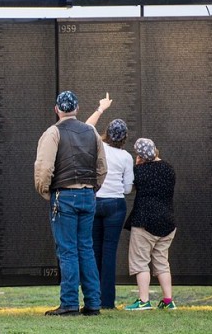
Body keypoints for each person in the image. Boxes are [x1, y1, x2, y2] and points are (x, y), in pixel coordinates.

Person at [34, 90, 107, 316]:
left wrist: (46, 191)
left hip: (64, 195)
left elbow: (44, 168)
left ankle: (69, 304)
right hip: (87, 195)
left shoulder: (53, 132)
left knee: (67, 251)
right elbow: (102, 168)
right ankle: (93, 303)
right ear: (76, 109)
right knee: (86, 248)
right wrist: (92, 189)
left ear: (57, 109)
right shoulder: (91, 132)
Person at [84, 93, 134, 309]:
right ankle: (107, 301)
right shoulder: (126, 157)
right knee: (109, 253)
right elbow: (127, 188)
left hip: (96, 201)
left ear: (107, 133)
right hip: (115, 205)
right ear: (124, 137)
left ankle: (92, 299)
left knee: (94, 251)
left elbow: (87, 126)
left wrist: (101, 108)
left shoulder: (99, 147)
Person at [123, 138, 177, 310]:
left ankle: (143, 300)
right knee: (162, 262)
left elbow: (129, 187)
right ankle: (168, 301)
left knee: (140, 262)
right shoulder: (169, 169)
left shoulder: (139, 172)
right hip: (168, 222)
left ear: (140, 156)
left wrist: (138, 164)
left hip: (144, 222)